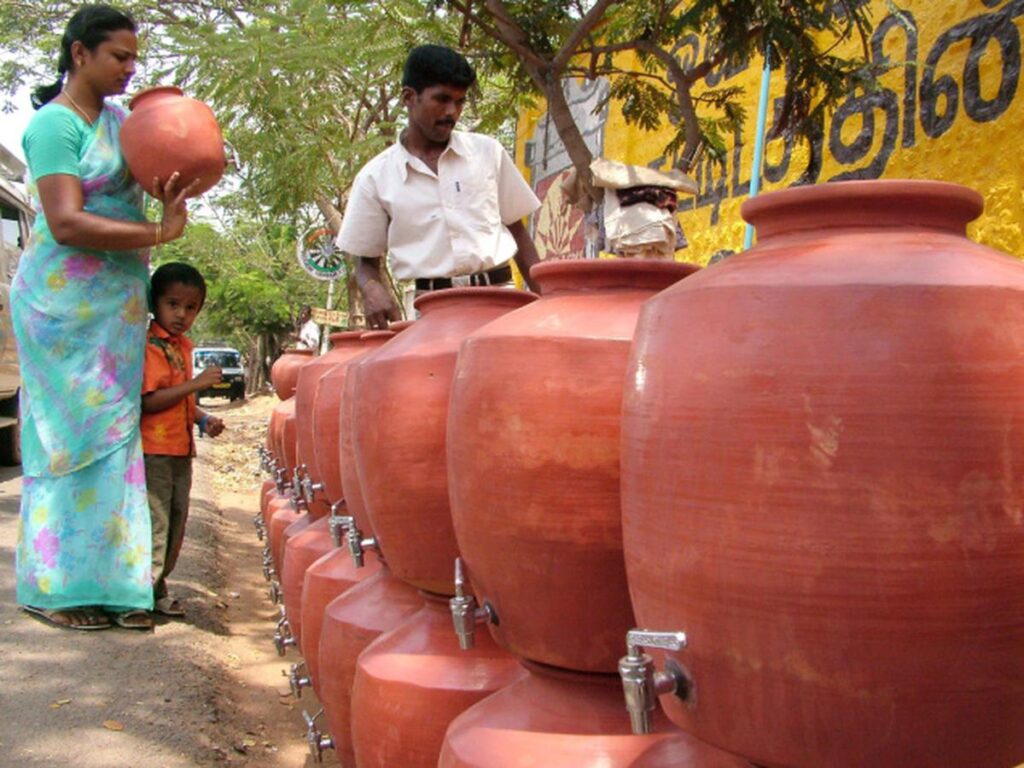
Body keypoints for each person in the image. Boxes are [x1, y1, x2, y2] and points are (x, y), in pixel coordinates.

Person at [15, 4, 198, 631]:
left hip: (118, 305)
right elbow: (64, 221)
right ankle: (54, 587)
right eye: (119, 56)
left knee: (116, 442)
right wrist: (157, 230)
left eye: (134, 57)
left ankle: (116, 586)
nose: (130, 68)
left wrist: (179, 185)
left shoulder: (124, 122)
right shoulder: (52, 127)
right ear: (79, 54)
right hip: (60, 308)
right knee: (66, 441)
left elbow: (169, 169)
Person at [336, 44, 542, 329]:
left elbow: (517, 231)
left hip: (501, 303)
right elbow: (365, 261)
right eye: (442, 99)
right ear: (410, 97)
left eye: (460, 102)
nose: (452, 112)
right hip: (432, 312)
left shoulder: (488, 153)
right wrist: (371, 288)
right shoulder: (375, 177)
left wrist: (548, 303)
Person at [141, 263, 224, 619]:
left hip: (179, 450)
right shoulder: (152, 347)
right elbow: (149, 400)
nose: (181, 314)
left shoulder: (181, 347)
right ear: (155, 303)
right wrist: (197, 384)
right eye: (173, 304)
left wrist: (203, 418)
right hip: (154, 451)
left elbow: (181, 401)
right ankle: (140, 594)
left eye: (190, 308)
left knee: (176, 522)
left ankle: (157, 589)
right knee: (155, 523)